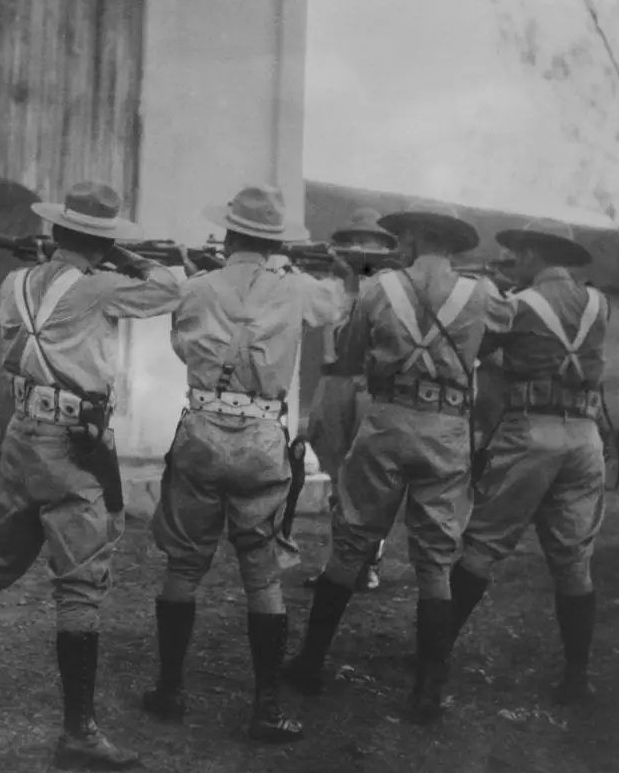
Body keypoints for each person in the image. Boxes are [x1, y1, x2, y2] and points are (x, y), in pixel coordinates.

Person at [0, 182, 181, 772]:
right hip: (77, 445)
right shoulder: (101, 288)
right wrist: (126, 258)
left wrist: (70, 257)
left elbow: (45, 304)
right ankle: (79, 731)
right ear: (101, 242)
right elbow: (172, 288)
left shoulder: (14, 282)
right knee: (80, 580)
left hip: (21, 433)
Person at [282, 199, 513, 724]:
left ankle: (311, 663)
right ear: (453, 245)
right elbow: (502, 339)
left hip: (387, 419)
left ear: (408, 240)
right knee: (435, 563)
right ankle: (427, 692)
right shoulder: (483, 295)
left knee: (352, 542)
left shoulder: (377, 289)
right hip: (448, 426)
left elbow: (352, 352)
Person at [142, 185, 355, 743]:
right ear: (272, 242)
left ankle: (170, 689)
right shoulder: (298, 290)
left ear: (229, 235)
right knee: (261, 572)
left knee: (184, 564)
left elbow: (178, 339)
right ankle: (264, 709)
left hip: (203, 426)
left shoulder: (196, 286)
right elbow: (340, 299)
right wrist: (316, 265)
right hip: (262, 432)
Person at [446, 218, 609, 706]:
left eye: (518, 255)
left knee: (484, 542)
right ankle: (577, 676)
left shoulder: (517, 305)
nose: (515, 263)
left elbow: (476, 350)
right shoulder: (600, 302)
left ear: (534, 256)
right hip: (585, 436)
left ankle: (433, 652)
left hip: (530, 431)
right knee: (574, 559)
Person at [304, 208, 398, 592]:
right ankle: (341, 561)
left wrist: (352, 279)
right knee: (336, 471)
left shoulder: (391, 285)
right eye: (354, 240)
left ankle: (368, 561)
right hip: (334, 381)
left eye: (370, 242)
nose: (361, 248)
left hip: (368, 384)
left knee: (370, 476)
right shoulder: (331, 284)